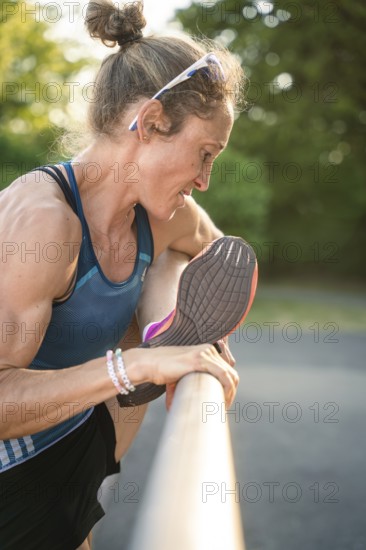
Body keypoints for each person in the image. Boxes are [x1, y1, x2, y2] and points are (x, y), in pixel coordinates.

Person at [0, 1, 257, 548]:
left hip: (76, 451)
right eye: (203, 154)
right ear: (150, 124)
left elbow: (218, 257)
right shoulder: (44, 224)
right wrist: (136, 363)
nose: (205, 180)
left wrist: (188, 325)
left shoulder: (165, 218)